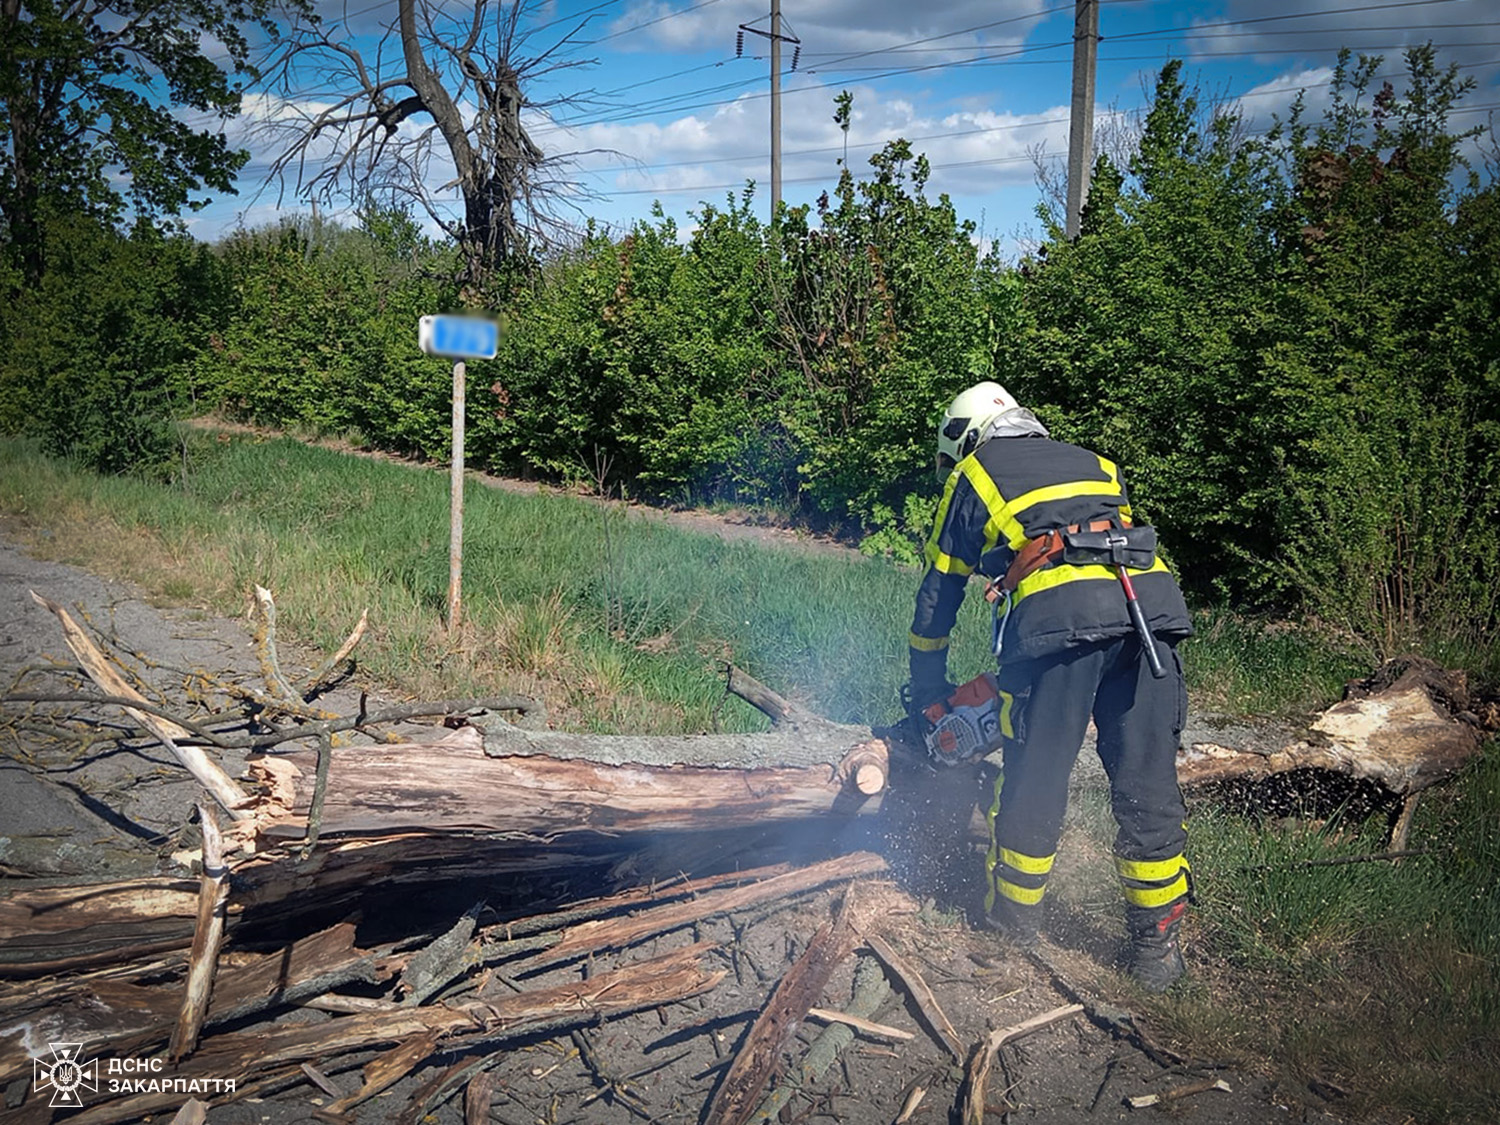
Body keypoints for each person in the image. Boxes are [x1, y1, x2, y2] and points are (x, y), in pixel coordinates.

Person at [907, 381, 1195, 991]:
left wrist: (925, 689)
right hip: (1151, 617)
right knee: (1147, 782)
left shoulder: (974, 476)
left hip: (1057, 630)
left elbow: (939, 590)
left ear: (966, 436)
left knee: (1036, 774)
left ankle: (1012, 926)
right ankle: (1155, 951)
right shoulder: (1097, 463)